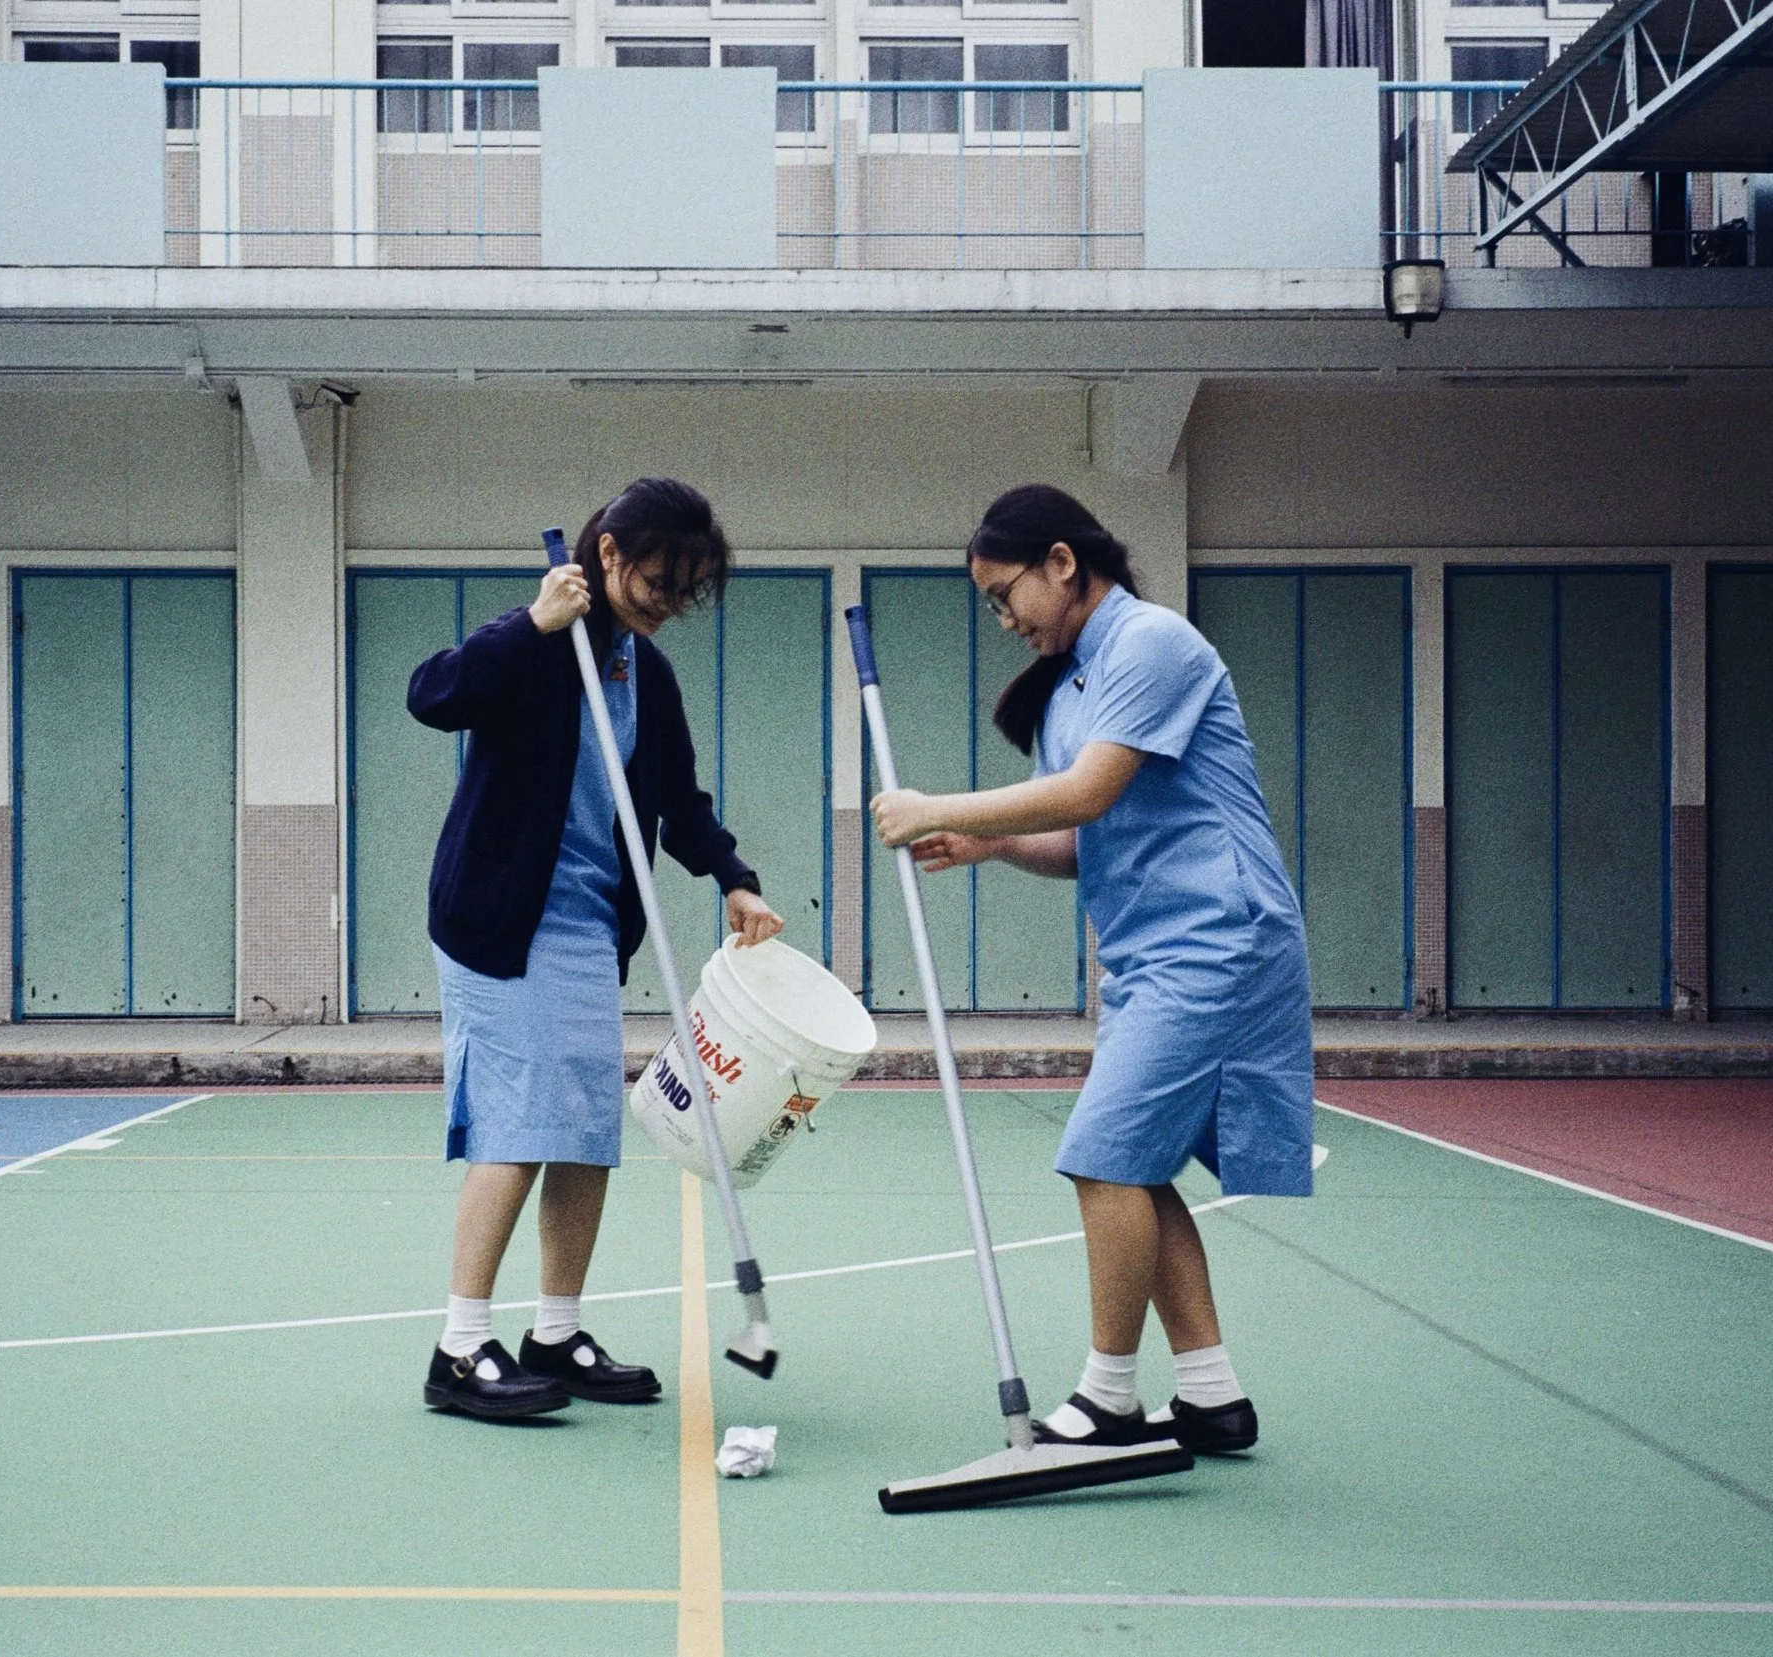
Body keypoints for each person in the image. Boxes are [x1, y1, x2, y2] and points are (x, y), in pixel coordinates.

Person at [867, 483, 1313, 1454]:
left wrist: (935, 801)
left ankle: (1108, 1396)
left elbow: (1086, 789)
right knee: (1137, 1170)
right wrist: (985, 845)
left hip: (1216, 938)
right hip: (1149, 954)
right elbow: (1080, 836)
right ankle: (1210, 1393)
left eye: (1004, 594)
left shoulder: (1150, 643)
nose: (1003, 619)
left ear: (1062, 563)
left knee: (1102, 1154)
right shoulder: (1071, 689)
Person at [408, 477, 785, 1422]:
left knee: (582, 1131)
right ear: (609, 555)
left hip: (585, 926)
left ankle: (556, 1331)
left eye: (686, 590)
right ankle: (458, 1348)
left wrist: (734, 877)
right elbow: (433, 695)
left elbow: (681, 799)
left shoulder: (642, 673)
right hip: (501, 923)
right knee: (520, 1123)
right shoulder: (536, 643)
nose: (668, 603)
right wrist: (531, 625)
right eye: (659, 581)